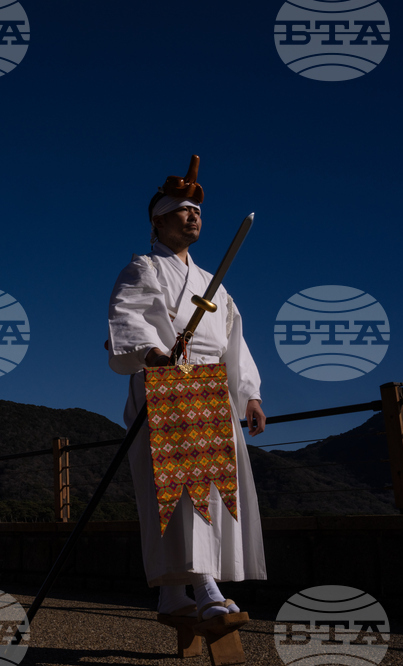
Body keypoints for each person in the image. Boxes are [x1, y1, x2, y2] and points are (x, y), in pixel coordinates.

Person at [106, 159, 267, 622]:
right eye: (181, 210)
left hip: (211, 389)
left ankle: (174, 597)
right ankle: (207, 590)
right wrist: (152, 353)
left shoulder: (213, 284)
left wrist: (250, 393)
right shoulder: (143, 268)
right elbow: (128, 318)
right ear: (158, 221)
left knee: (213, 491)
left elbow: (233, 340)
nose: (193, 216)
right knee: (179, 493)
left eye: (196, 211)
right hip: (168, 388)